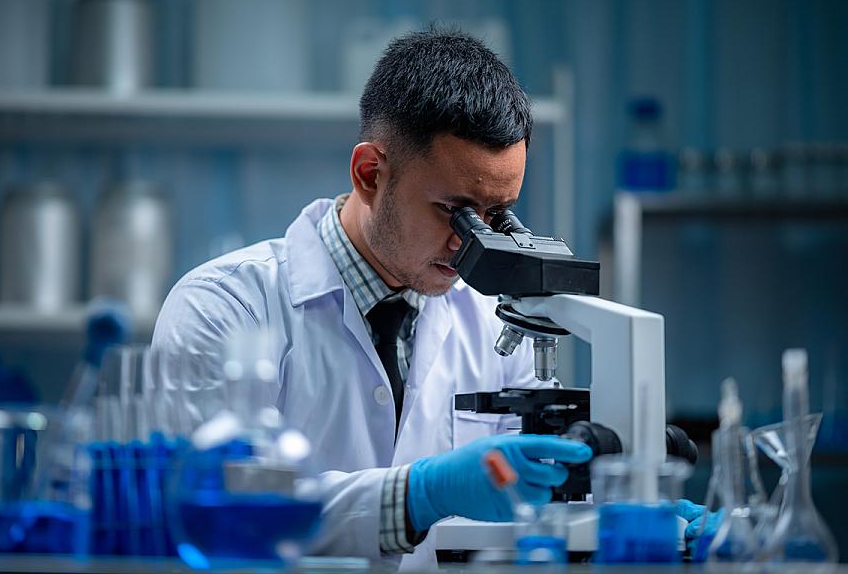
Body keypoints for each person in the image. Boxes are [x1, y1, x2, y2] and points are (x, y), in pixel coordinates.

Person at [151, 29, 701, 568]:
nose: (472, 243)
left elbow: (542, 496)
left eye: (496, 215)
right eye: (453, 210)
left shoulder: (496, 324)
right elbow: (216, 515)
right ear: (370, 174)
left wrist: (625, 497)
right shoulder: (223, 308)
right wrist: (419, 495)